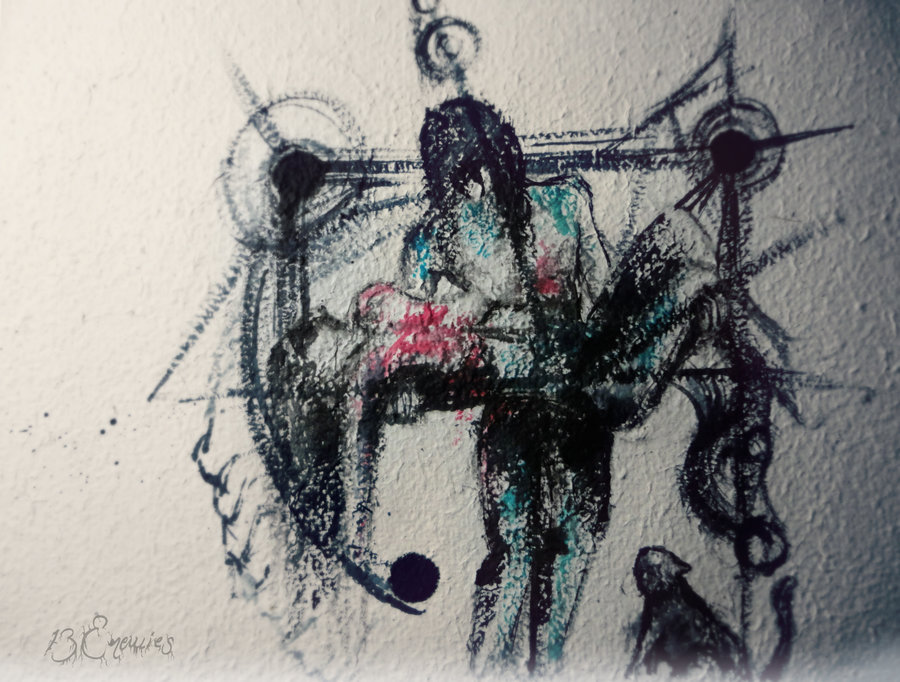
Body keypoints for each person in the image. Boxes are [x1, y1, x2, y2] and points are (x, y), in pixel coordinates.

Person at [267, 95, 720, 673]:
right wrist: (412, 376)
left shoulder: (565, 203)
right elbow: (425, 348)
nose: (476, 183)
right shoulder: (431, 242)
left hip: (580, 406)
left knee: (570, 553)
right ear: (442, 176)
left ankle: (543, 669)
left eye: (482, 163)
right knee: (514, 555)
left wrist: (659, 325)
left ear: (505, 154)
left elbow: (604, 304)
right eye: (459, 172)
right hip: (509, 412)